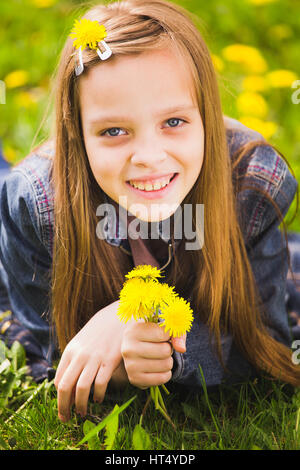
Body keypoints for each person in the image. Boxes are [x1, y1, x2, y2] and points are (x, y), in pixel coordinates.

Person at [0, 0, 300, 424]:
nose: (148, 156)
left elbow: (263, 342)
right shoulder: (36, 204)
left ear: (206, 118)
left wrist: (150, 335)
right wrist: (119, 350)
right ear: (77, 135)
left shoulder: (252, 187)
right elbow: (48, 345)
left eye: (173, 122)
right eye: (114, 131)